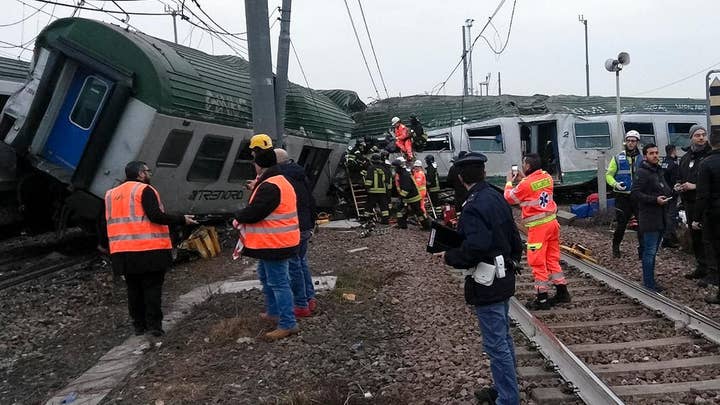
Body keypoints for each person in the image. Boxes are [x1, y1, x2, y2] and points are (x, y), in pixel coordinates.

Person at [436, 152, 522, 405]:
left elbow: (475, 247)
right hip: (503, 275)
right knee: (503, 338)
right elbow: (514, 236)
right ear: (483, 173)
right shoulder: (496, 197)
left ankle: (508, 398)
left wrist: (449, 256)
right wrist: (513, 260)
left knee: (496, 345)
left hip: (487, 281)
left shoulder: (473, 206)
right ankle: (506, 389)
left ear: (461, 177)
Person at [105, 161, 198, 337]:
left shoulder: (111, 194)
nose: (149, 174)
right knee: (152, 288)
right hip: (148, 250)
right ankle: (154, 325)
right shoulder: (144, 190)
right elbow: (156, 216)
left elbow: (107, 222)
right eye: (148, 171)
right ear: (140, 174)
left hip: (121, 252)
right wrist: (181, 219)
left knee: (133, 289)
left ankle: (139, 326)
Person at [234, 140, 300, 341]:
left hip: (275, 243)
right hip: (276, 241)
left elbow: (256, 212)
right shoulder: (279, 181)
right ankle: (273, 311)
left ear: (259, 165)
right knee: (267, 276)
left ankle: (288, 323)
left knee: (279, 282)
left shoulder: (270, 185)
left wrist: (238, 215)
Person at [505, 153, 570, 309]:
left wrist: (508, 182)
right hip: (552, 224)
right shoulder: (547, 177)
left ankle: (542, 298)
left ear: (527, 166)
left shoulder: (525, 184)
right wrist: (523, 179)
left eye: (523, 164)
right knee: (552, 259)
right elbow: (533, 188)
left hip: (538, 229)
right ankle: (562, 291)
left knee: (537, 262)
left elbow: (509, 198)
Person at [275, 148, 318, 316]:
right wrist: (312, 223)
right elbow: (311, 200)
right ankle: (310, 298)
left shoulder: (283, 179)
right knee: (301, 262)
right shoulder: (301, 175)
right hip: (305, 225)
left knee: (293, 265)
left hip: (293, 227)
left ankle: (301, 304)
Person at [631, 144, 672, 292]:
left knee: (653, 251)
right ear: (645, 155)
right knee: (649, 251)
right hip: (649, 217)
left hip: (661, 216)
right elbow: (635, 193)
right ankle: (648, 283)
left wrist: (674, 190)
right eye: (651, 153)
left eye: (656, 152)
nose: (655, 155)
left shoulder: (658, 171)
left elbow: (665, 188)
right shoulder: (643, 172)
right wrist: (655, 200)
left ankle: (651, 281)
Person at [678, 125, 716, 283]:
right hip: (689, 202)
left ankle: (712, 271)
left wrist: (694, 186)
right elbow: (680, 175)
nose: (701, 138)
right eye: (697, 135)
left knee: (708, 238)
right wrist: (679, 185)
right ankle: (701, 266)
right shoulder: (686, 157)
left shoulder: (710, 156)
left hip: (706, 203)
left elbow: (714, 183)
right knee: (696, 237)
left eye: (703, 134)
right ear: (691, 138)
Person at [606, 130, 644, 259]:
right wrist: (615, 184)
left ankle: (642, 251)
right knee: (621, 224)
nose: (630, 143)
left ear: (637, 142)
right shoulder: (617, 158)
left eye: (633, 141)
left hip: (638, 196)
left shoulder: (643, 158)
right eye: (628, 140)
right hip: (622, 196)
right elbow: (609, 175)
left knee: (641, 224)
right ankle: (615, 247)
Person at [695, 127, 720, 303]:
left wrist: (696, 218)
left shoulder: (707, 163)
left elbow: (702, 195)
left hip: (715, 214)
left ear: (711, 142)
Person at [391, 158, 429, 230]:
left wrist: (400, 197)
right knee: (402, 211)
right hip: (408, 197)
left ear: (399, 167)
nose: (394, 169)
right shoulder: (402, 174)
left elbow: (406, 188)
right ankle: (402, 225)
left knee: (419, 213)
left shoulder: (404, 175)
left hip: (413, 197)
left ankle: (427, 226)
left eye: (395, 167)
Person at [661, 144, 680, 248]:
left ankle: (671, 236)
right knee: (671, 216)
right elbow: (675, 180)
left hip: (664, 192)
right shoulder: (674, 164)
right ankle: (667, 239)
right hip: (672, 193)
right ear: (673, 151)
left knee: (666, 214)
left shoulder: (664, 163)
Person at [362, 153, 391, 224]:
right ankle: (385, 220)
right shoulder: (384, 169)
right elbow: (387, 180)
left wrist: (366, 188)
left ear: (372, 160)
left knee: (369, 206)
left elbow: (369, 180)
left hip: (372, 192)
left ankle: (367, 220)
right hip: (383, 191)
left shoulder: (371, 168)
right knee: (384, 207)